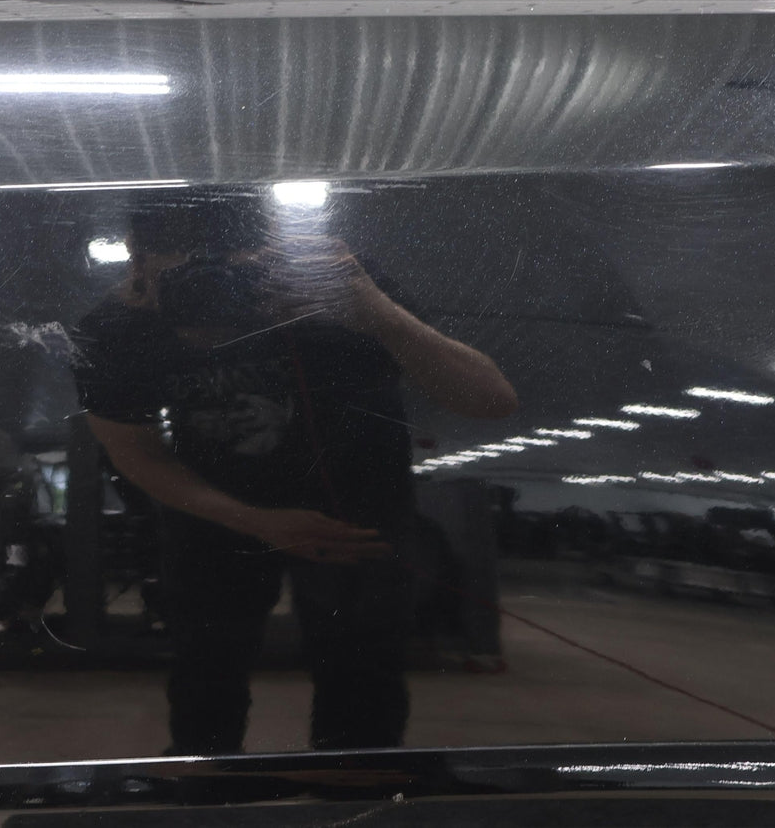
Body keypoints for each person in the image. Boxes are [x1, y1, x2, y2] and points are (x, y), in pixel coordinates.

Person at [72, 189, 516, 755]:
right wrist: (252, 520)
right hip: (214, 512)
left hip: (354, 511)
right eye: (179, 281)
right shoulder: (118, 327)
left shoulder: (332, 289)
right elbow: (132, 450)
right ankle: (208, 786)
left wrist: (377, 314)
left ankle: (352, 787)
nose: (208, 298)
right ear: (135, 262)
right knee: (204, 673)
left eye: (231, 278)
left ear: (270, 254)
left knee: (361, 678)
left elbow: (491, 400)